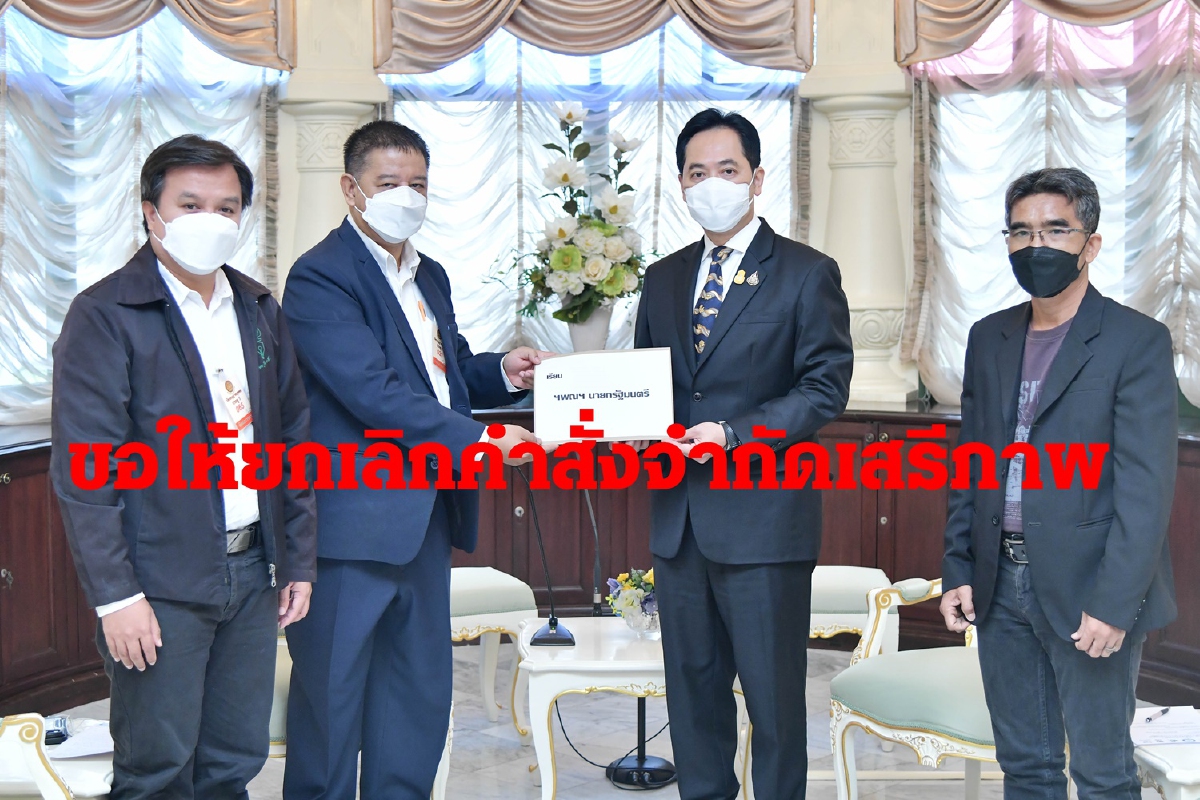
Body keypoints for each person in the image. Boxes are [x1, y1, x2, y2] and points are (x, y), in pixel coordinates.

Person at [280, 120, 546, 799]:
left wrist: (504, 372)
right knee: (333, 705)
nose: (407, 196)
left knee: (413, 700)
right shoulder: (320, 277)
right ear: (351, 188)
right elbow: (370, 390)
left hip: (425, 519)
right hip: (350, 527)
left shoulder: (430, 274)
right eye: (389, 182)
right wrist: (479, 442)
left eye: (418, 184)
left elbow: (442, 374)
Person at [50, 134, 318, 799]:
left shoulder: (258, 308)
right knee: (157, 769)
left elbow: (291, 441)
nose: (210, 220)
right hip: (158, 584)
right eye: (190, 204)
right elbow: (86, 474)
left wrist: (296, 559)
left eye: (226, 208)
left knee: (234, 761)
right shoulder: (106, 314)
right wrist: (117, 598)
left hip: (253, 573)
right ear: (152, 212)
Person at [633, 108, 854, 799]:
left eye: (727, 170)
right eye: (696, 172)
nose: (711, 184)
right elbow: (647, 383)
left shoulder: (805, 273)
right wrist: (630, 423)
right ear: (680, 183)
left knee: (774, 703)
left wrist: (732, 434)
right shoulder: (663, 278)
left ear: (757, 178)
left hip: (764, 525)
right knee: (693, 699)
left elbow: (824, 388)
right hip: (679, 523)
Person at [940, 167, 1178, 799]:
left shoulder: (1136, 341)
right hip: (998, 583)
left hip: (1090, 588)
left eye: (1054, 230)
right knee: (1026, 769)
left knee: (1102, 774)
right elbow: (971, 463)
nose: (1035, 245)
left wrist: (1114, 603)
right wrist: (959, 565)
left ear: (1089, 244)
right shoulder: (988, 337)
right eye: (1020, 232)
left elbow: (1146, 489)